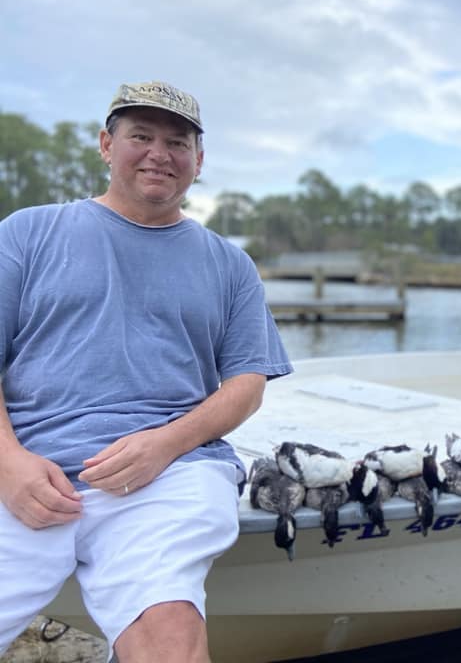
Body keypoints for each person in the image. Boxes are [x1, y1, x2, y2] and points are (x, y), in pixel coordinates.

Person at [0, 81, 293, 662]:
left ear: (199, 162)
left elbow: (246, 385)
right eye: (141, 136)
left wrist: (164, 445)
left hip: (171, 477)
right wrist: (9, 463)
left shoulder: (230, 265)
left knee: (169, 641)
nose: (160, 153)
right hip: (28, 466)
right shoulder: (26, 233)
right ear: (107, 145)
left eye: (177, 141)